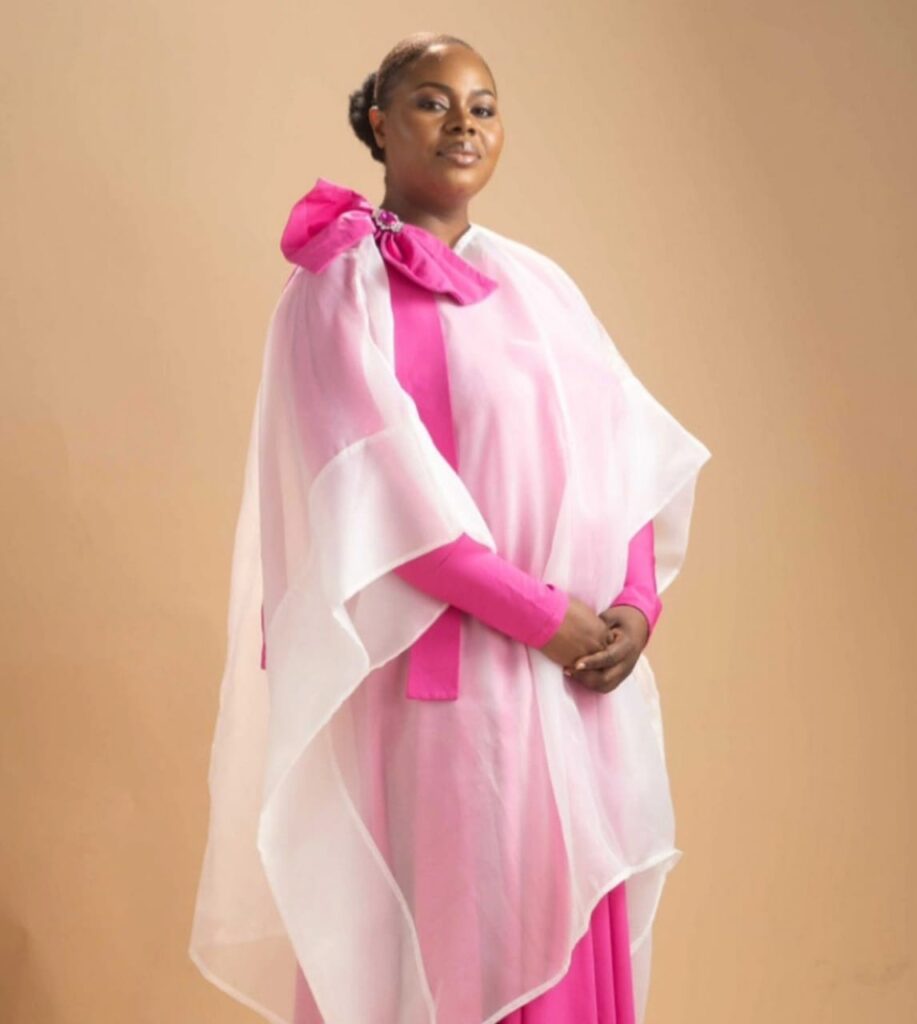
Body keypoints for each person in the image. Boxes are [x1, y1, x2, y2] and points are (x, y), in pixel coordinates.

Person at [189, 30, 712, 1024]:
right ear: (378, 124)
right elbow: (385, 507)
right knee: (462, 948)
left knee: (561, 922)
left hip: (573, 684)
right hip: (446, 689)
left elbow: (624, 455)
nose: (463, 123)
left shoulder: (540, 284)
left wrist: (635, 605)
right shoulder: (340, 288)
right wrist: (547, 619)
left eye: (484, 104)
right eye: (432, 101)